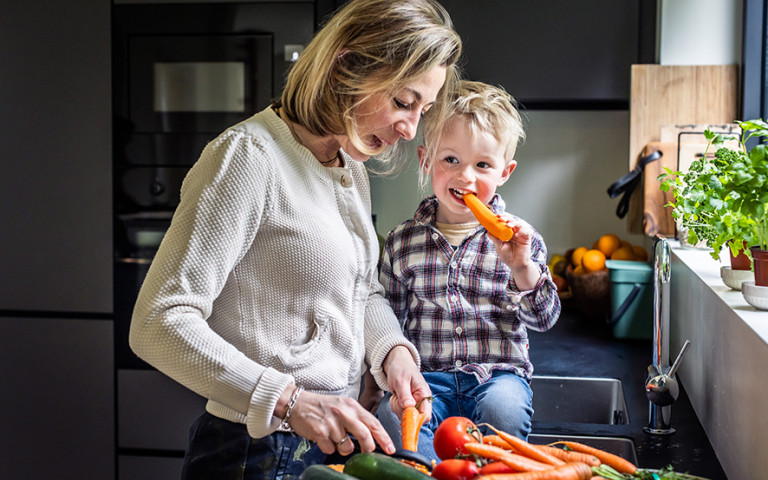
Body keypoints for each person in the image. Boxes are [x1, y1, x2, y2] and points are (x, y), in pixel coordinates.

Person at [128, 0, 462, 478]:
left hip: (333, 442)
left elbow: (358, 288)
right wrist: (289, 401)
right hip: (257, 452)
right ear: (344, 65)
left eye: (422, 110)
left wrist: (393, 351)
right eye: (403, 102)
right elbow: (158, 322)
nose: (410, 129)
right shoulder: (248, 157)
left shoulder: (347, 166)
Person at [376, 80, 561, 462]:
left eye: (482, 165)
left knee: (504, 411)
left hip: (497, 377)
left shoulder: (520, 241)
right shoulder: (400, 244)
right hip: (426, 381)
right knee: (392, 421)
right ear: (426, 160)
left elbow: (544, 319)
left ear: (505, 171)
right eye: (451, 160)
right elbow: (386, 325)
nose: (465, 177)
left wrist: (522, 267)